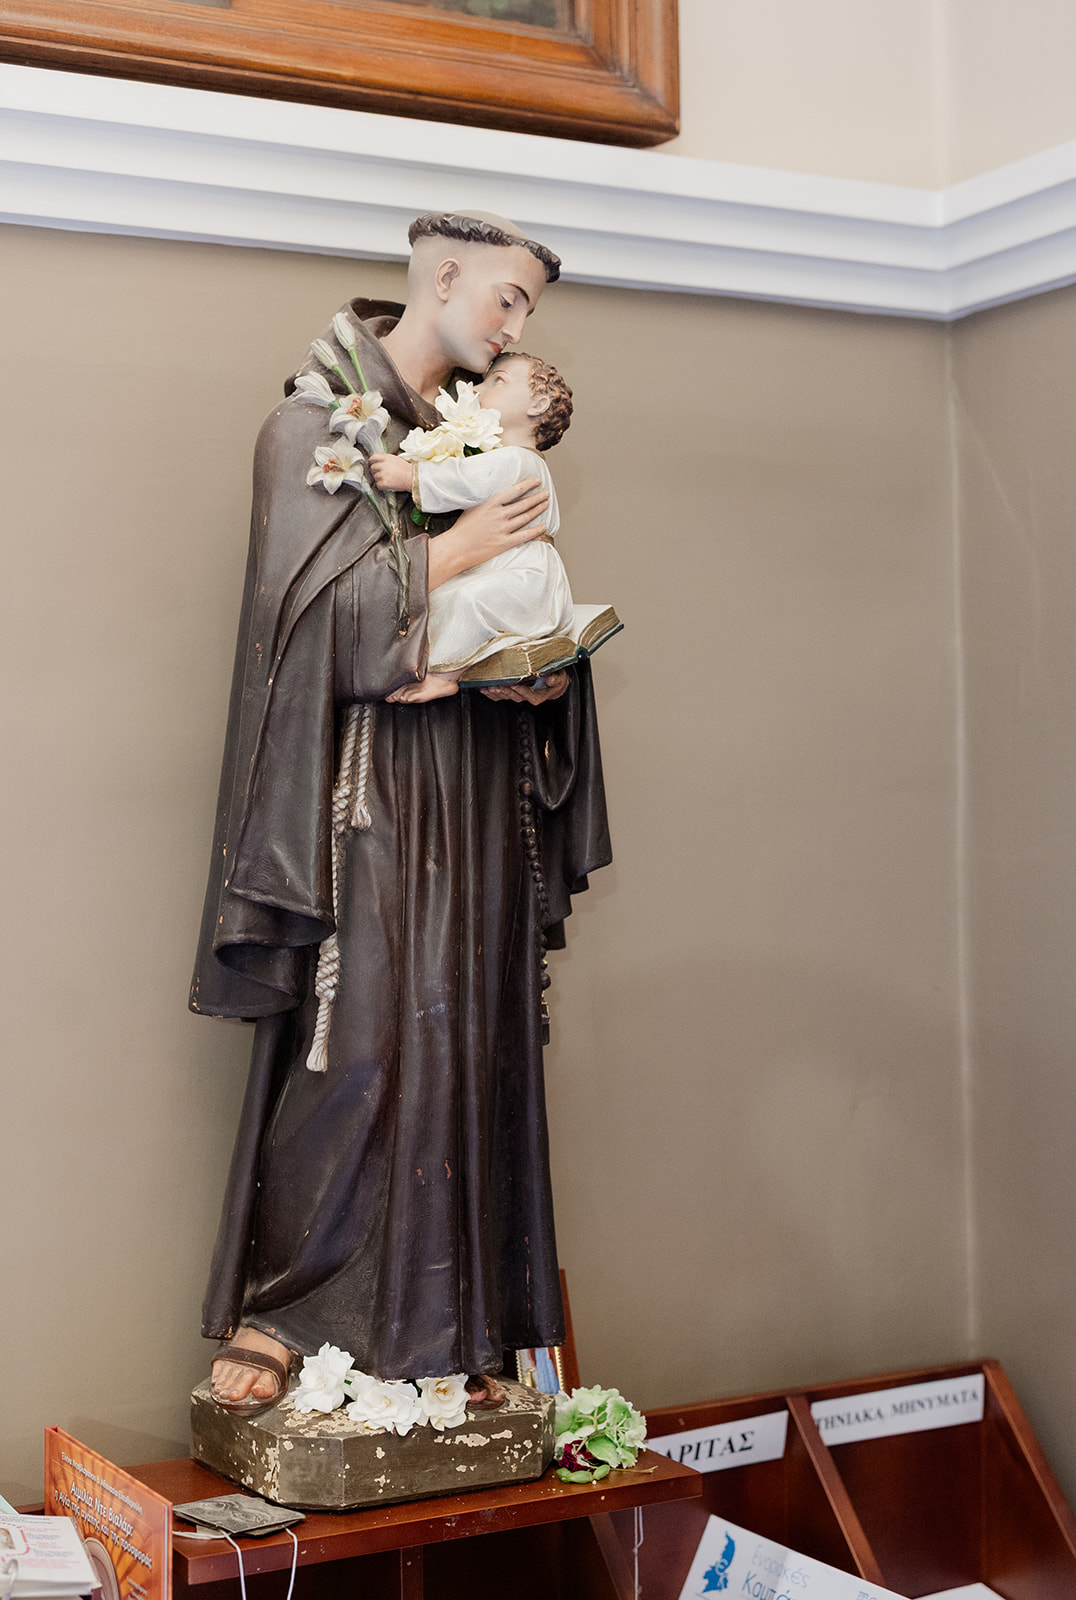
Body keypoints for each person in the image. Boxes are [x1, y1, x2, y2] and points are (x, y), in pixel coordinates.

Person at [192, 211, 612, 1417]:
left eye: (526, 309)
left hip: (475, 788)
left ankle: (450, 1322)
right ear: (443, 277)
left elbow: (533, 594)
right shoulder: (314, 429)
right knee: (361, 1032)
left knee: (470, 1035)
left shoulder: (480, 433)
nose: (514, 326)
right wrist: (459, 545)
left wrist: (546, 681)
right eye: (506, 299)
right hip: (366, 792)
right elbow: (300, 620)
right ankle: (289, 1307)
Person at [370, 351, 574, 704]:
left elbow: (467, 480)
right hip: (512, 568)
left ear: (538, 404)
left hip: (526, 576)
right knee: (445, 599)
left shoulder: (517, 459)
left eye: (497, 381)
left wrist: (411, 476)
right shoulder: (515, 459)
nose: (477, 389)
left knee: (469, 600)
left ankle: (443, 678)